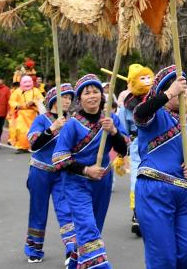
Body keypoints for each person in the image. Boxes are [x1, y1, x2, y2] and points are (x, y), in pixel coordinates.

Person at [133, 65, 187, 268]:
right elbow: (140, 113)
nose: (183, 92)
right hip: (155, 190)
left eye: (184, 88)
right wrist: (169, 93)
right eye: (179, 88)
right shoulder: (155, 115)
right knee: (162, 256)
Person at [52, 74, 129, 269]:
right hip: (76, 182)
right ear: (80, 99)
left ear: (103, 96)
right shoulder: (72, 124)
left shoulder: (110, 121)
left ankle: (76, 265)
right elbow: (59, 159)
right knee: (87, 227)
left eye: (96, 92)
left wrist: (113, 132)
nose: (92, 96)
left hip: (102, 181)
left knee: (93, 228)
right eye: (87, 93)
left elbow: (123, 149)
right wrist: (86, 170)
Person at [24, 83, 77, 264]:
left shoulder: (72, 121)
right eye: (65, 97)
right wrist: (53, 128)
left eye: (70, 98)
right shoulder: (41, 120)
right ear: (55, 99)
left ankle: (72, 250)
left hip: (62, 173)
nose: (68, 101)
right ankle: (34, 248)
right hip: (40, 171)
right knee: (38, 210)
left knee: (66, 210)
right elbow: (33, 143)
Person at [115, 63, 154, 237]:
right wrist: (121, 153)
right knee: (137, 179)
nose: (146, 81)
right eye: (142, 78)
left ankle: (155, 213)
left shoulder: (157, 99)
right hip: (138, 144)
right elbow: (122, 128)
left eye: (148, 78)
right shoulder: (126, 106)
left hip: (158, 144)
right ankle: (137, 213)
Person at [10, 74, 44, 152]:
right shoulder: (17, 91)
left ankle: (31, 145)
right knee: (21, 130)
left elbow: (41, 99)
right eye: (25, 82)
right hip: (21, 113)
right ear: (21, 83)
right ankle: (21, 147)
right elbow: (12, 101)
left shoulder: (35, 90)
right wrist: (19, 106)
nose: (27, 84)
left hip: (33, 113)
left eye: (29, 82)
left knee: (33, 130)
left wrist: (34, 102)